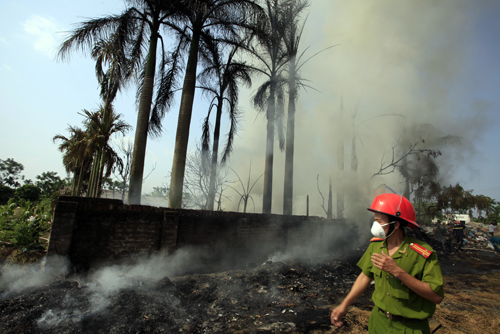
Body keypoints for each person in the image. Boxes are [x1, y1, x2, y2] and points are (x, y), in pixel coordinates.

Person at [330, 193, 444, 334]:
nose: (375, 225)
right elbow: (365, 276)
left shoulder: (421, 253)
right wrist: (344, 305)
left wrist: (397, 272)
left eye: (379, 221)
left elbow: (436, 296)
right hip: (379, 323)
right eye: (374, 220)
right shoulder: (376, 245)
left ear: (395, 225)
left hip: (409, 328)